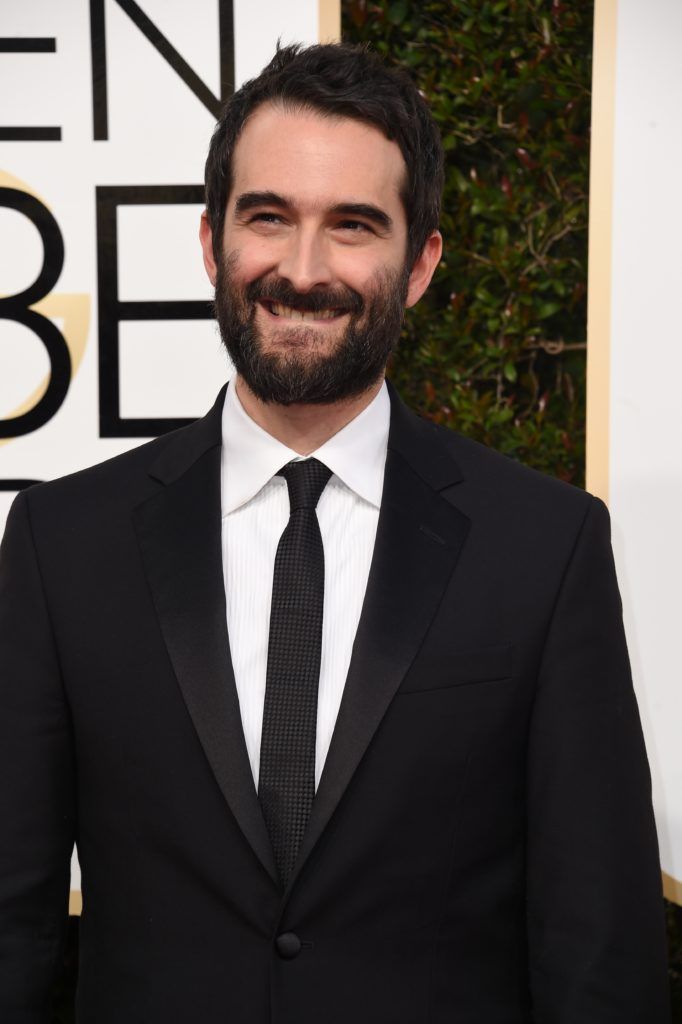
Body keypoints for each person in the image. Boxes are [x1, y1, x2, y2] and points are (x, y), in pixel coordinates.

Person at [0, 42, 670, 1024]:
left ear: (420, 264)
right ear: (210, 241)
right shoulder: (65, 541)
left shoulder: (544, 547)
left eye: (353, 225)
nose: (302, 270)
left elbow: (597, 944)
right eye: (267, 216)